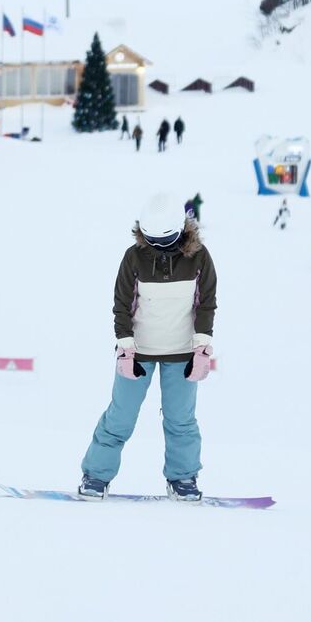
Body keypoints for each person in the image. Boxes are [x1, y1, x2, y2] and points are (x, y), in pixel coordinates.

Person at [78, 195, 218, 503]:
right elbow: (122, 305)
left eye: (165, 241)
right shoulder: (134, 257)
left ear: (180, 230)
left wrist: (201, 350)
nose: (159, 247)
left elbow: (205, 304)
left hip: (181, 354)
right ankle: (96, 475)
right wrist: (125, 348)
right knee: (120, 416)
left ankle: (183, 478)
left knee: (180, 420)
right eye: (152, 241)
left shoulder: (199, 258)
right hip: (138, 354)